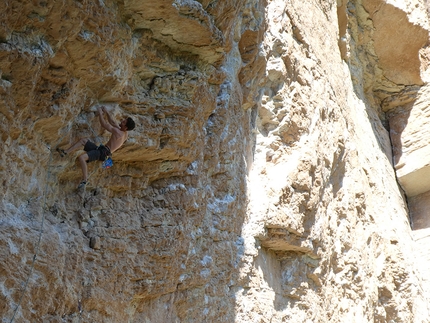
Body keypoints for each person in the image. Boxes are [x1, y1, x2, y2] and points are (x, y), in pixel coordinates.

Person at [57, 106, 135, 189]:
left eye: (124, 122)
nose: (122, 120)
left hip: (102, 153)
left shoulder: (118, 132)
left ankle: (85, 180)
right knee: (83, 141)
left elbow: (104, 124)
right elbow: (112, 122)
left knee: (82, 158)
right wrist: (107, 112)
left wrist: (100, 113)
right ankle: (65, 152)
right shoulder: (125, 134)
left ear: (125, 127)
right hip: (103, 150)